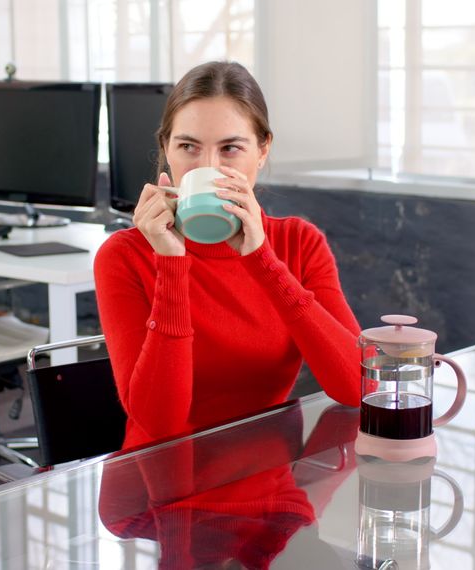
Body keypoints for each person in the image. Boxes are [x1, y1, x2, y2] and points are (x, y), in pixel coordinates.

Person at [94, 61, 362, 450]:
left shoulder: (299, 244)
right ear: (166, 149)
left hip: (272, 484)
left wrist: (263, 260)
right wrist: (171, 264)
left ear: (262, 151)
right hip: (163, 489)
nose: (208, 168)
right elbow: (160, 424)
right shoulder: (124, 256)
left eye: (231, 148)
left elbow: (357, 388)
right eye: (188, 147)